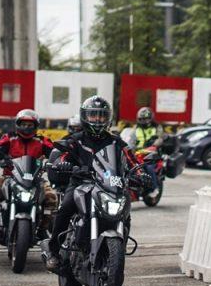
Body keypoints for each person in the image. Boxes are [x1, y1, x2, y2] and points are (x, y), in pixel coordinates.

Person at [44, 96, 143, 273]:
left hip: (110, 185)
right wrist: (63, 164)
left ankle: (118, 250)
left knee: (125, 212)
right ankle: (54, 251)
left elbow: (132, 160)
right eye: (93, 115)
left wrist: (141, 174)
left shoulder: (116, 141)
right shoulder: (76, 140)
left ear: (108, 118)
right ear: (85, 117)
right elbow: (62, 154)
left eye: (101, 116)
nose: (97, 120)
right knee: (66, 207)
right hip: (81, 183)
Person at [0, 109, 57, 240]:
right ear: (18, 124)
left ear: (35, 126)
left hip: (35, 179)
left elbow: (54, 153)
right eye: (23, 124)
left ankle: (43, 229)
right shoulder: (9, 139)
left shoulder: (42, 141)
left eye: (30, 125)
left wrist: (56, 161)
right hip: (9, 177)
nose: (26, 127)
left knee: (51, 197)